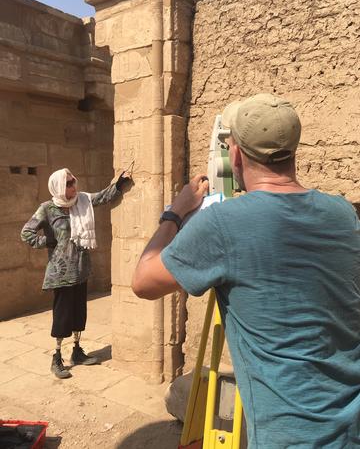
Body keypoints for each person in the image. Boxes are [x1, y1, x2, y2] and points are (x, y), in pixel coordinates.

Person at [132, 93, 360, 448]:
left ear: (234, 155)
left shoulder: (223, 224)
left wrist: (175, 214)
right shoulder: (341, 212)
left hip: (288, 437)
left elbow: (143, 282)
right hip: (349, 426)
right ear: (293, 151)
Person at [21, 167, 132, 379]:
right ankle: (56, 357)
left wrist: (120, 184)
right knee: (62, 316)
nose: (74, 186)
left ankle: (77, 351)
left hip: (81, 268)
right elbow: (26, 233)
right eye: (69, 183)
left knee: (79, 313)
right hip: (61, 273)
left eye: (74, 181)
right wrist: (48, 241)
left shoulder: (82, 200)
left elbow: (102, 197)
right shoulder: (47, 208)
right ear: (60, 188)